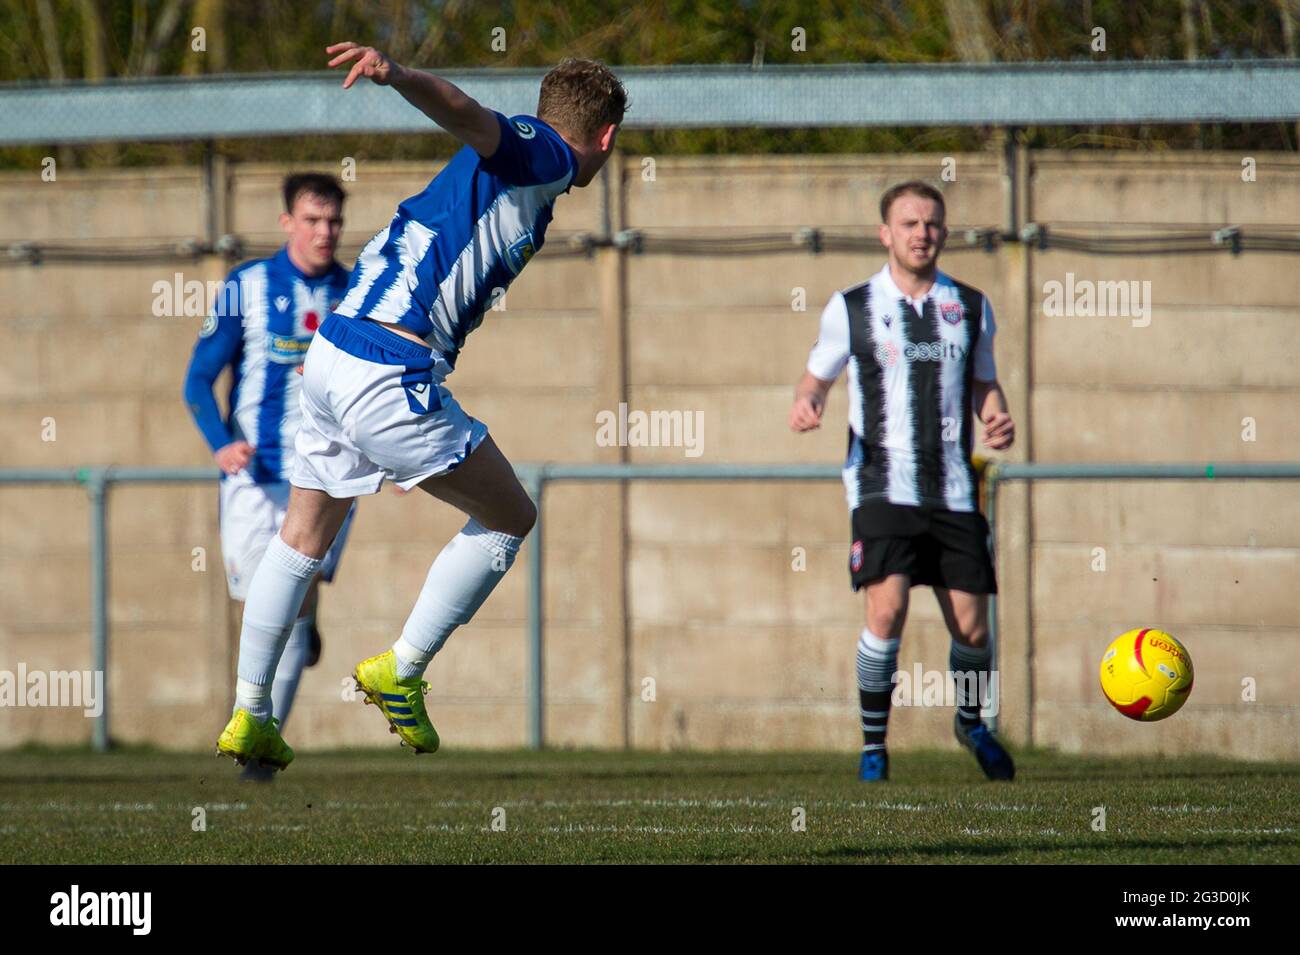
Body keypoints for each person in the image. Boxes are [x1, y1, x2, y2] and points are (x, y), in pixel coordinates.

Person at [215, 43, 627, 772]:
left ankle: (250, 712)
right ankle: (400, 669)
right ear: (607, 138)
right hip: (387, 368)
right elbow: (470, 115)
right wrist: (399, 76)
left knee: (301, 538)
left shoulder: (515, 178)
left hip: (332, 354)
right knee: (512, 516)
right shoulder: (547, 154)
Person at [789, 180, 1017, 782]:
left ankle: (970, 722)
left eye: (933, 223)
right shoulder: (853, 306)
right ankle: (873, 748)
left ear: (944, 231)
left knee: (972, 626)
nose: (923, 233)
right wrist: (808, 404)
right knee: (885, 609)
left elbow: (983, 383)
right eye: (910, 223)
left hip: (953, 490)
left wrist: (993, 412)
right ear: (885, 233)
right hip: (879, 484)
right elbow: (816, 377)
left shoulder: (969, 306)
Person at [185, 172, 355, 780]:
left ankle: (260, 757)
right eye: (312, 220)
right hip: (254, 479)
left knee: (288, 608)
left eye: (333, 221)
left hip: (326, 474)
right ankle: (293, 655)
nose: (324, 232)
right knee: (257, 606)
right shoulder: (247, 288)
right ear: (287, 222)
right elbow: (198, 380)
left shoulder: (359, 290)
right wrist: (221, 442)